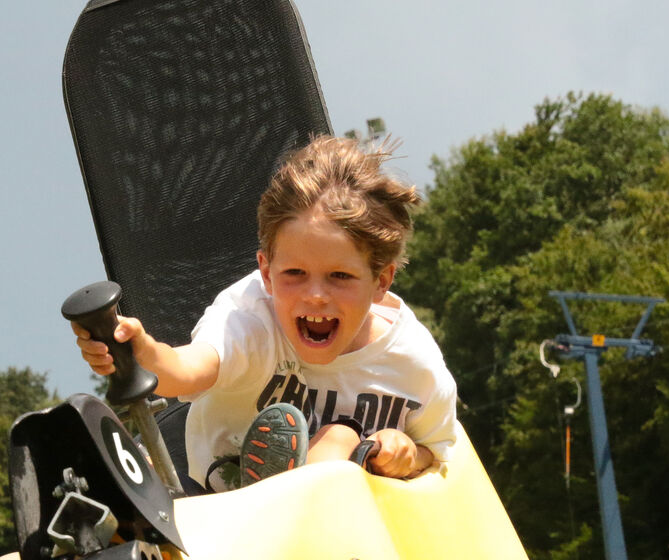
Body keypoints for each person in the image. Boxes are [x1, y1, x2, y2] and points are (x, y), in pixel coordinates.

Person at [72, 135, 456, 492]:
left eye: (340, 276)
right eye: (295, 274)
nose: (316, 296)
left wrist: (405, 453)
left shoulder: (413, 366)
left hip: (339, 531)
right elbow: (187, 372)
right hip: (216, 502)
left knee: (342, 436)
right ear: (267, 273)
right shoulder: (250, 316)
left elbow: (440, 455)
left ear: (381, 281)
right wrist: (142, 352)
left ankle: (290, 490)